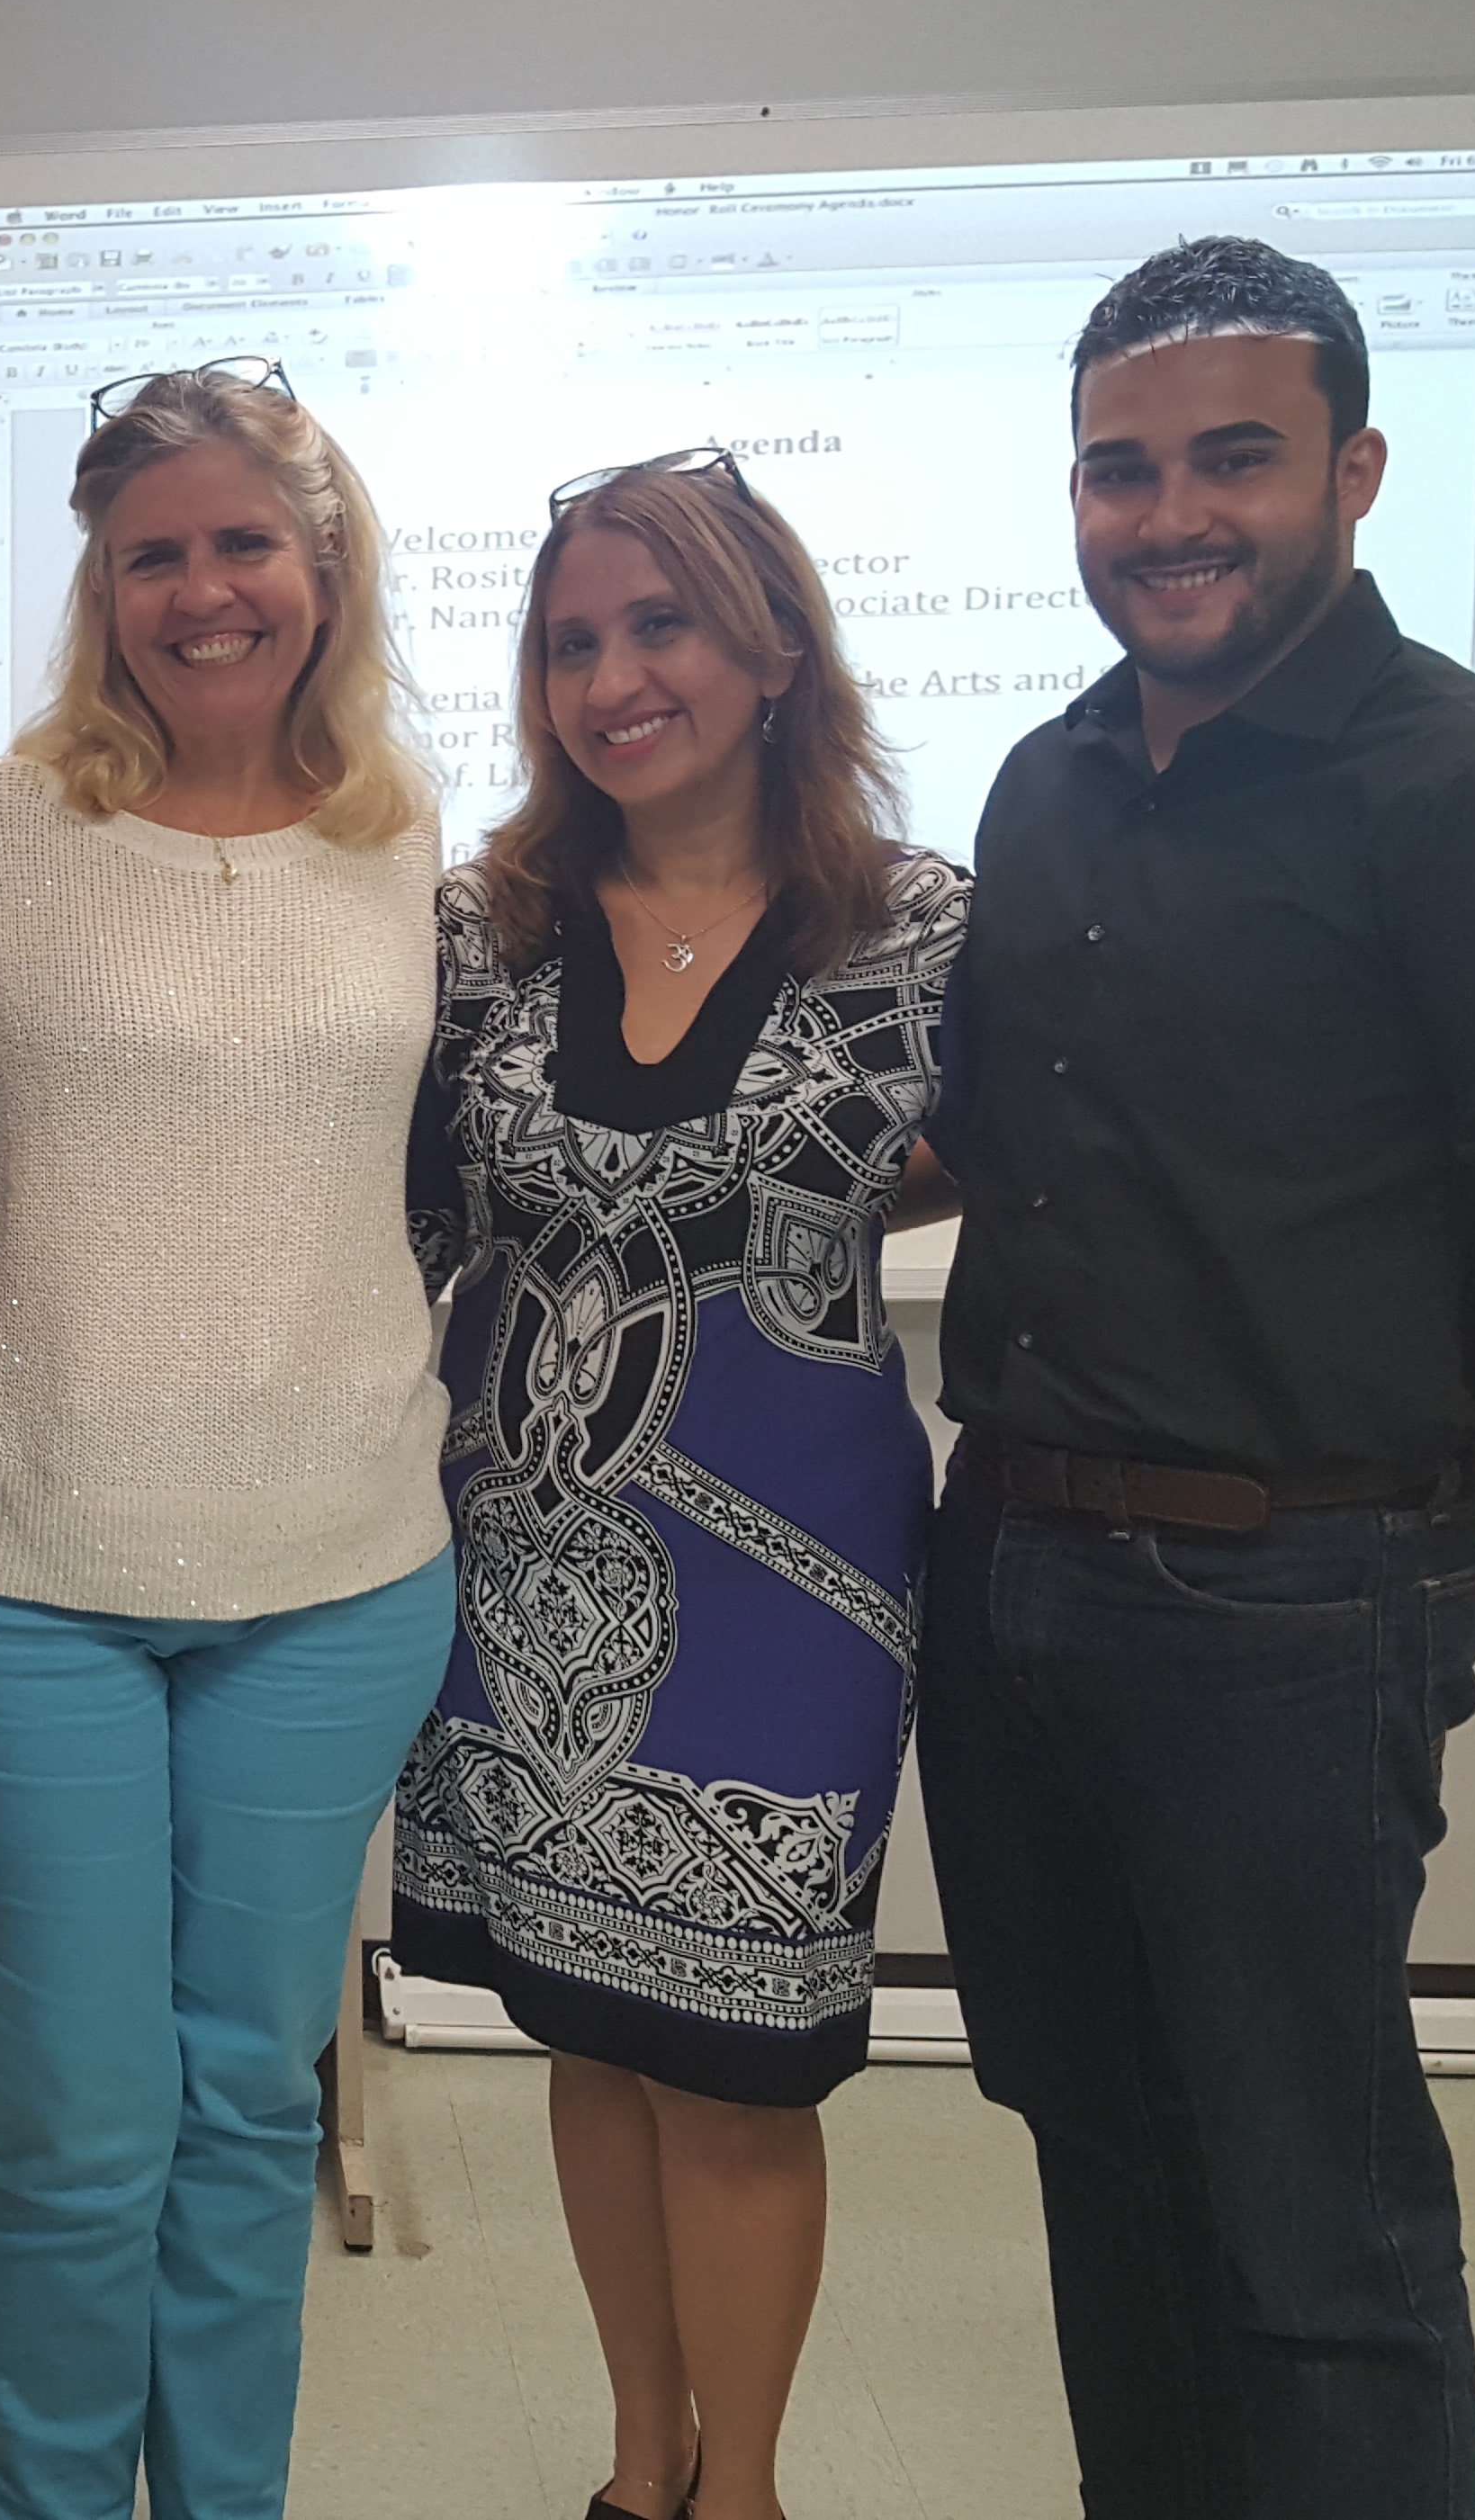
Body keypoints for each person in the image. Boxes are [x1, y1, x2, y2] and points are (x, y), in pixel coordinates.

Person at [921, 236, 1475, 2520]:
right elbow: (1000, 1130)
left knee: (1312, 2209)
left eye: (1230, 460)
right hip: (1019, 1568)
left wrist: (1443, 1501)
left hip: (1290, 1596)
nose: (1166, 514)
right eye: (1117, 470)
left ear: (1355, 470)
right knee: (1100, 2156)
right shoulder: (1049, 779)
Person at [0, 359, 452, 2520]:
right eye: (154, 554)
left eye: (244, 544)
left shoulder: (416, 854)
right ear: (98, 583)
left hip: (335, 1575)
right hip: (25, 1561)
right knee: (70, 2114)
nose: (202, 591)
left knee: (247, 2105)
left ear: (324, 568)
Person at [391, 453, 968, 2520]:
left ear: (776, 650)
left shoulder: (924, 936)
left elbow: (1054, 1162)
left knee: (735, 2062)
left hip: (794, 1584)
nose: (614, 676)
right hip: (515, 1562)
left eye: (664, 626)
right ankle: (640, 2472)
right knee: (593, 2030)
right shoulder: (480, 934)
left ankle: (749, 2495)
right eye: (572, 640)